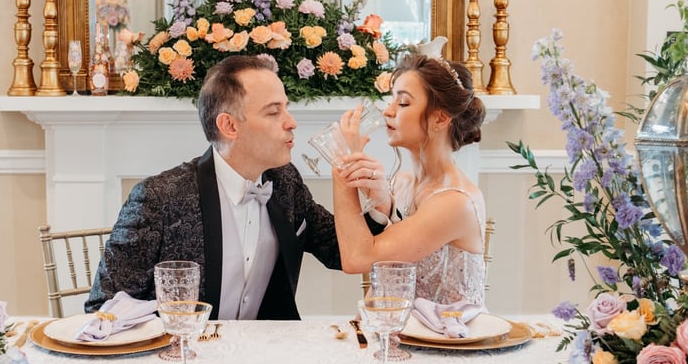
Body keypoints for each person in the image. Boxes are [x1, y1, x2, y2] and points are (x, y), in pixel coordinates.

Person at [86, 55, 359, 320]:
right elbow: (104, 309)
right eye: (274, 111)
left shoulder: (286, 182)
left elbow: (343, 250)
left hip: (266, 359)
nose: (291, 122)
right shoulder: (159, 198)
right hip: (180, 357)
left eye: (286, 108)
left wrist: (377, 200)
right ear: (229, 125)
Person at [332, 54, 487, 306]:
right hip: (402, 332)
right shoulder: (402, 182)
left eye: (403, 103)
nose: (388, 111)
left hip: (449, 341)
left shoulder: (455, 202)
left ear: (440, 118)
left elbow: (357, 258)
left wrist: (343, 166)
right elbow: (386, 281)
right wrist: (383, 202)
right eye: (392, 100)